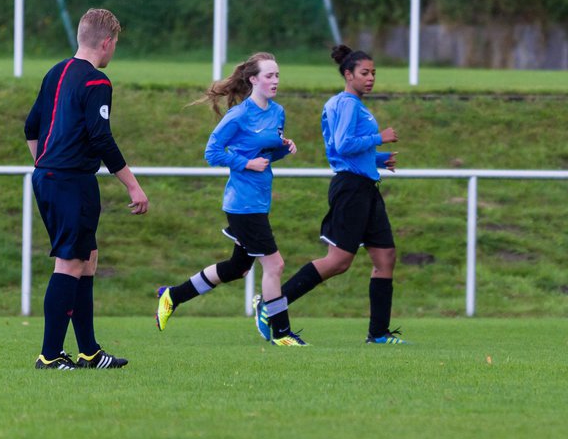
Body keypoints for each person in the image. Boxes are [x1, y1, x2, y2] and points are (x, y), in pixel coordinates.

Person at [23, 8, 148, 369]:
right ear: (106, 43)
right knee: (70, 263)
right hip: (70, 181)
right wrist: (134, 187)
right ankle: (49, 355)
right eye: (115, 45)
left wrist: (43, 163)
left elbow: (31, 127)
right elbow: (101, 138)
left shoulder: (55, 72)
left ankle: (90, 351)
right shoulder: (96, 82)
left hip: (49, 177)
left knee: (87, 260)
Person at [257, 44, 406, 345]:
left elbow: (344, 150)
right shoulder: (347, 104)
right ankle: (271, 305)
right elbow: (342, 144)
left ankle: (378, 333)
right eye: (365, 73)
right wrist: (380, 138)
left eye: (374, 73)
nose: (371, 78)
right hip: (351, 189)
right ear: (348, 74)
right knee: (338, 261)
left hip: (365, 186)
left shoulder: (348, 104)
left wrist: (377, 159)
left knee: (385, 256)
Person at [154, 53, 305, 345]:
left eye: (277, 76)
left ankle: (173, 295)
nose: (275, 81)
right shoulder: (238, 116)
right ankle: (282, 333)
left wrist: (284, 149)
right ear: (252, 80)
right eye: (269, 76)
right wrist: (246, 164)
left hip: (260, 200)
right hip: (242, 204)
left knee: (238, 268)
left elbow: (266, 151)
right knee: (275, 266)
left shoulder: (278, 112)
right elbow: (212, 152)